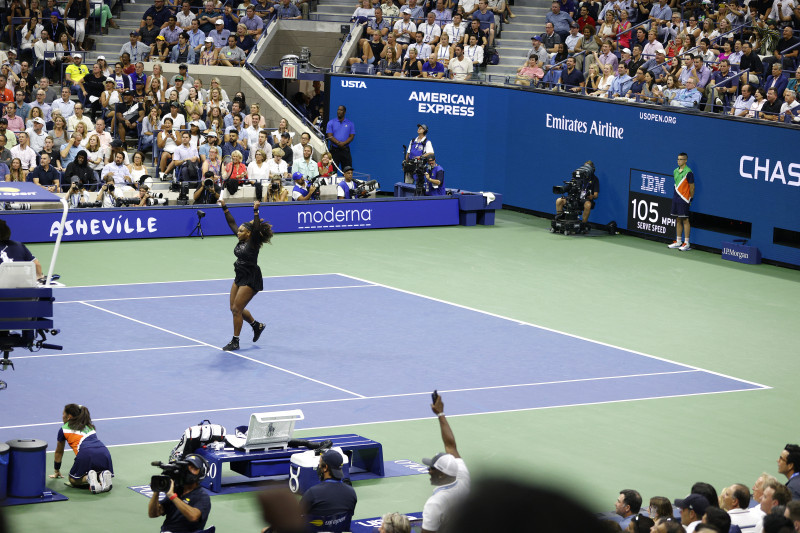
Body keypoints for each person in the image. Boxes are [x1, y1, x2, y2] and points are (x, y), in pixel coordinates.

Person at [218, 199, 271, 351]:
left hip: (251, 277)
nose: (238, 232)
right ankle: (257, 325)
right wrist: (224, 207)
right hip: (239, 275)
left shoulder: (253, 242)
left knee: (236, 309)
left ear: (249, 234)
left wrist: (255, 211)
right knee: (234, 308)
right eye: (239, 230)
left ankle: (235, 341)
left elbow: (256, 229)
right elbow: (231, 223)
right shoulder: (241, 239)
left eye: (241, 231)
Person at [419, 392, 469, 533]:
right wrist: (440, 414)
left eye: (432, 469)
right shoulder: (463, 477)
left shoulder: (435, 504)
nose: (428, 471)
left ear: (442, 475)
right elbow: (450, 446)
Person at [48, 404, 113, 493]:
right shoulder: (89, 426)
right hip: (104, 452)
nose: (62, 416)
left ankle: (88, 478)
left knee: (73, 480)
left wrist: (57, 470)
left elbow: (59, 452)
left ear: (69, 417)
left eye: (63, 414)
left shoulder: (63, 429)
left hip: (86, 453)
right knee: (94, 471)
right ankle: (102, 476)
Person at [148, 454, 212, 532]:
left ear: (201, 473)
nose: (189, 470)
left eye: (194, 468)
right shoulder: (176, 490)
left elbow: (193, 516)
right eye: (187, 467)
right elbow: (153, 514)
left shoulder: (202, 496)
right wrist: (156, 491)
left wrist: (172, 496)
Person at [555, 161, 599, 227]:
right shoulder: (577, 177)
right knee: (559, 200)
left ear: (592, 169)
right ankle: (560, 218)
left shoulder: (595, 179)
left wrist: (591, 196)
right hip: (574, 197)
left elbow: (596, 195)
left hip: (584, 199)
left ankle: (583, 224)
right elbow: (570, 186)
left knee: (588, 204)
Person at [668, 152, 695, 251]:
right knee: (678, 219)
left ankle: (686, 243)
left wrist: (690, 198)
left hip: (684, 199)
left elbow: (692, 187)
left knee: (685, 220)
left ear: (685, 160)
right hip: (676, 198)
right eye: (678, 159)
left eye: (681, 159)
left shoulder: (689, 172)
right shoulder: (675, 171)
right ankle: (678, 241)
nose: (679, 161)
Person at [326, 105, 355, 170]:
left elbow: (352, 136)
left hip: (345, 150)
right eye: (338, 110)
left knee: (347, 170)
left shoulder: (350, 123)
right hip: (334, 150)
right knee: (332, 170)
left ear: (344, 112)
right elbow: (329, 135)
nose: (339, 111)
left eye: (341, 110)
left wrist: (343, 143)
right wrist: (338, 143)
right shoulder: (331, 122)